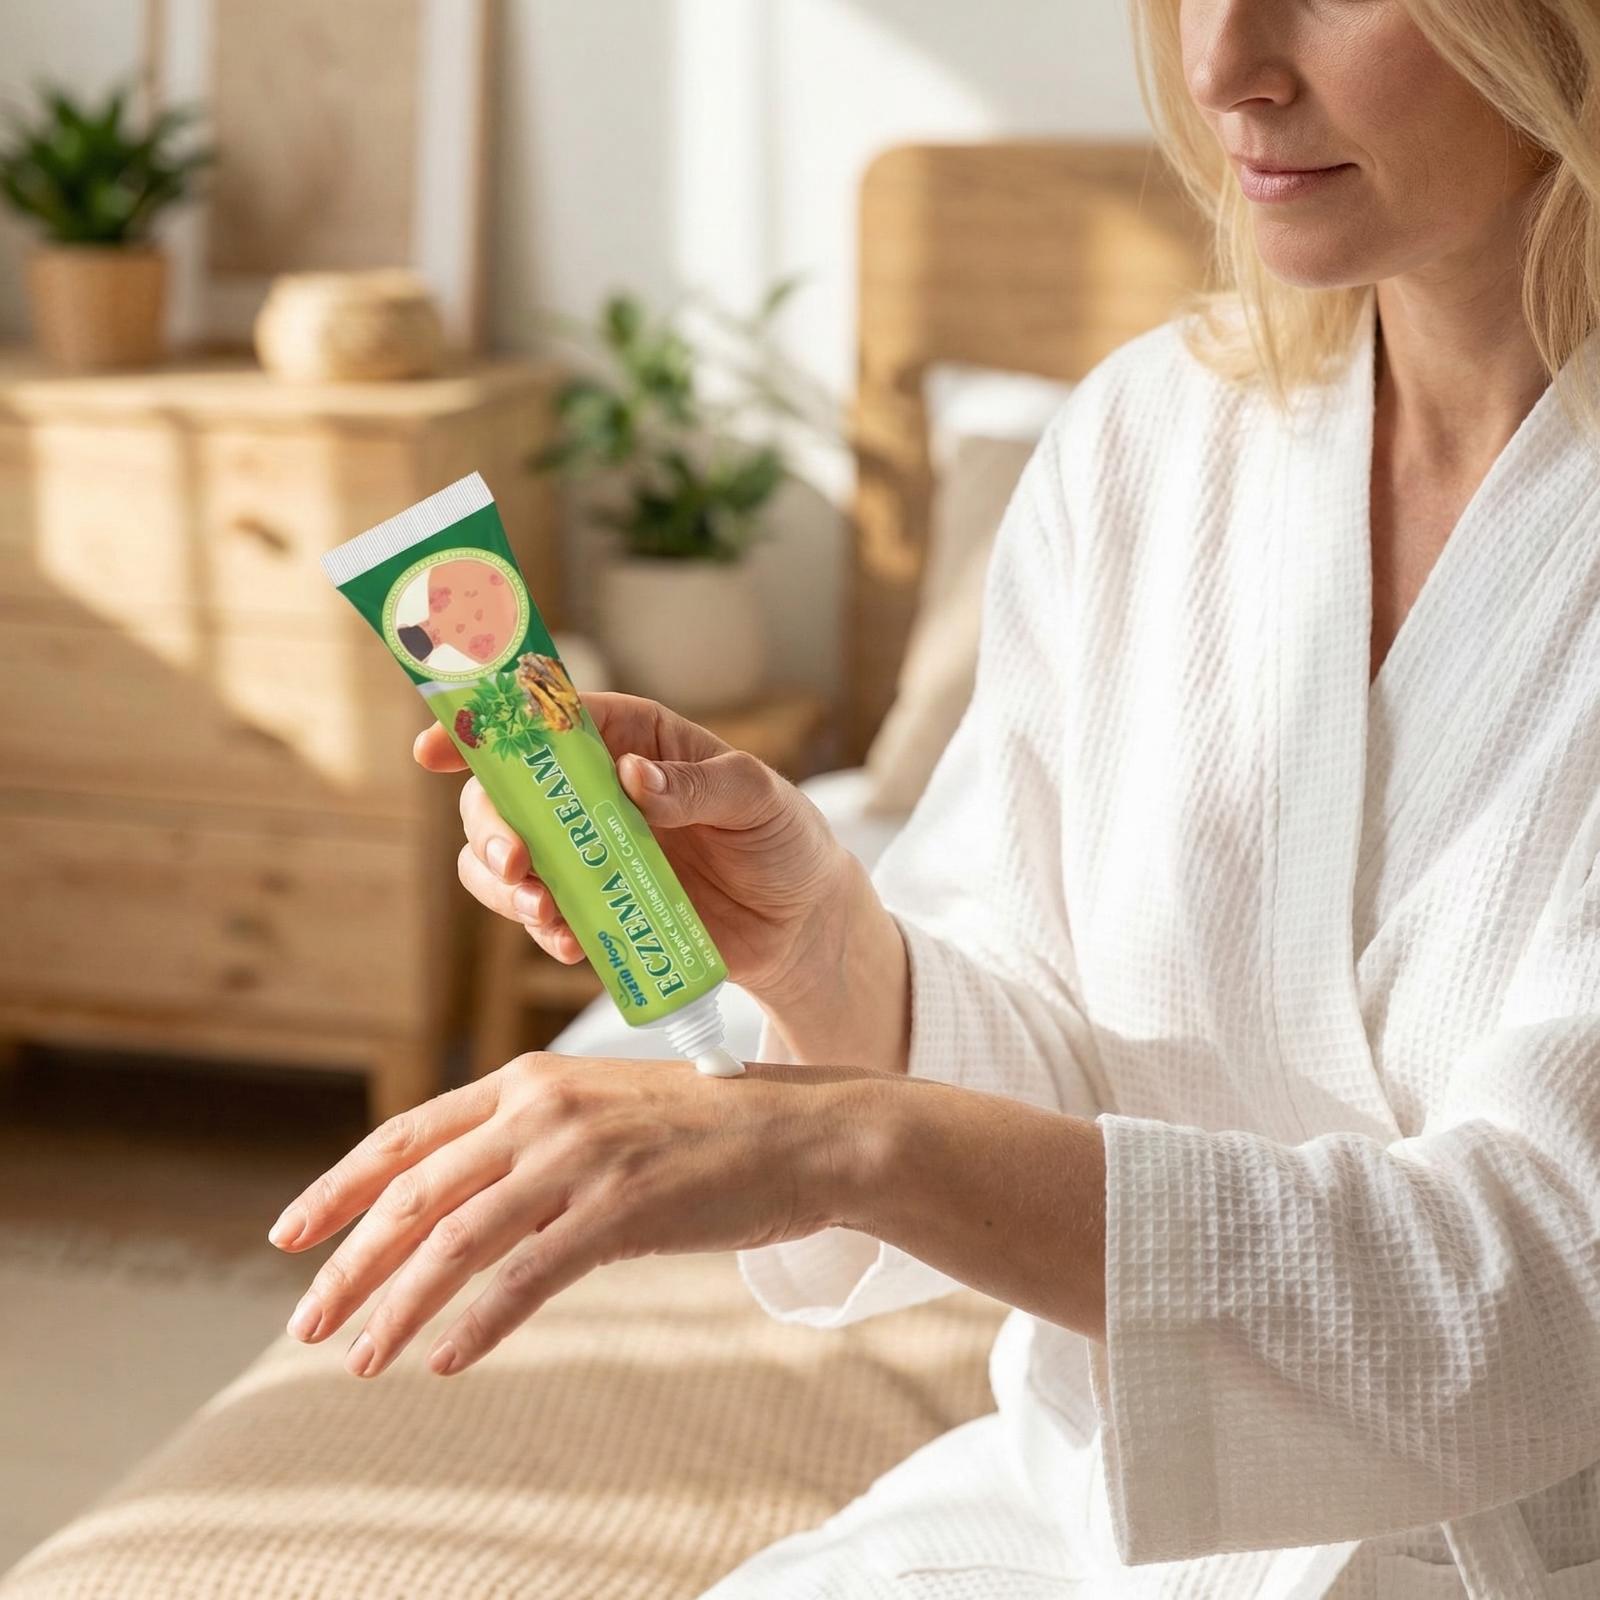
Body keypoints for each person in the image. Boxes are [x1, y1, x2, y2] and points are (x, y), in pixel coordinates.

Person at [267, 2, 1600, 1594]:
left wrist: (849, 1144)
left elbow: (1540, 1297)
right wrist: (824, 946)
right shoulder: (1151, 440)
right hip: (1091, 1526)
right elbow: (1067, 1043)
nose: (1220, 65)